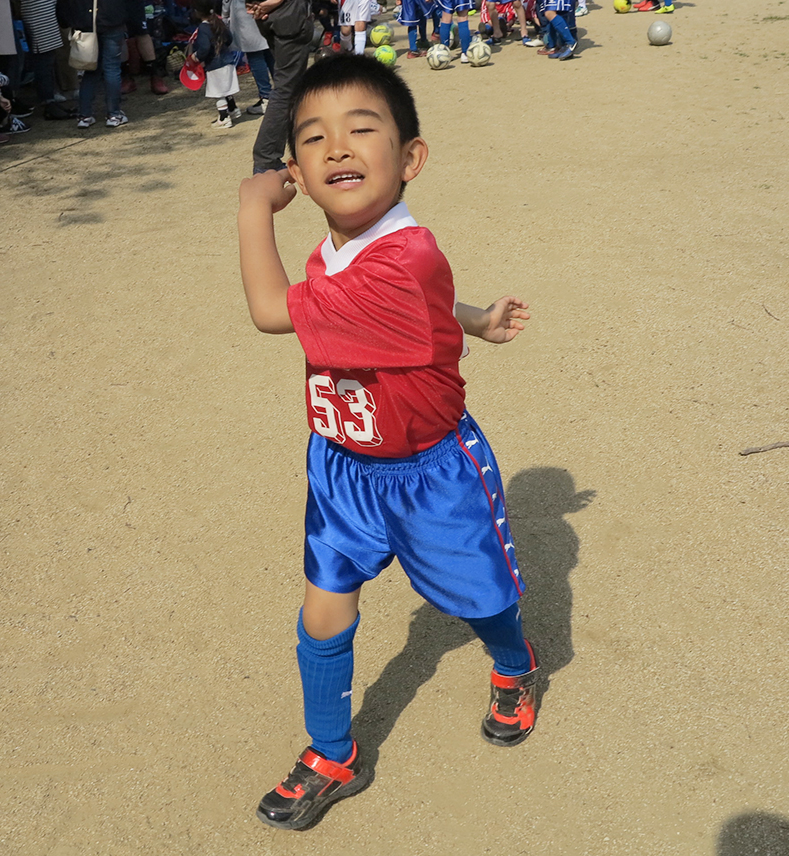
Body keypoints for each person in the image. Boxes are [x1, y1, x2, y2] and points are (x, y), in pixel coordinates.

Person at [237, 54, 536, 830]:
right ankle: (331, 751)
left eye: (361, 129)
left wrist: (251, 206)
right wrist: (474, 319)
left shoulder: (407, 257)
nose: (336, 146)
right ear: (300, 173)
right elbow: (416, 307)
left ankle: (514, 663)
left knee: (479, 598)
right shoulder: (342, 250)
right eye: (313, 137)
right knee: (323, 609)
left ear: (410, 158)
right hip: (343, 466)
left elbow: (272, 310)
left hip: (430, 473)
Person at [248, 0, 314, 172]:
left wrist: (255, 5)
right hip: (287, 16)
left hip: (270, 15)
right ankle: (267, 159)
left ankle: (300, 145)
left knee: (290, 86)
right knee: (286, 89)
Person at [59, 0, 140, 128]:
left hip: (85, 23)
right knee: (111, 68)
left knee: (90, 69)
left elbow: (63, 6)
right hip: (112, 20)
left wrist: (68, 21)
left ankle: (84, 115)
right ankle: (114, 114)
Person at [190, 0, 242, 128]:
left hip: (215, 64)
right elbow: (229, 38)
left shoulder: (203, 28)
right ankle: (233, 109)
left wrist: (196, 57)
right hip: (228, 61)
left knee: (218, 93)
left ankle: (224, 117)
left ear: (198, 13)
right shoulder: (219, 22)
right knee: (226, 88)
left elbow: (204, 47)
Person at [224, 0, 274, 113]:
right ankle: (284, 94)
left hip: (245, 13)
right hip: (265, 9)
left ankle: (266, 97)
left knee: (255, 56)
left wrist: (225, 15)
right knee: (269, 53)